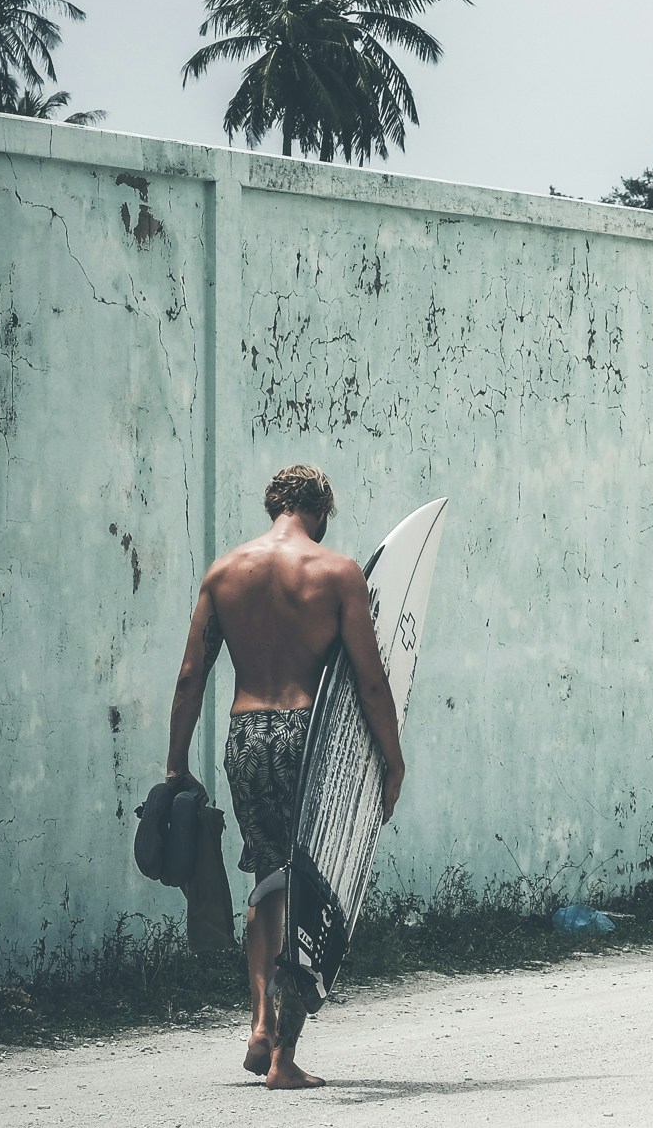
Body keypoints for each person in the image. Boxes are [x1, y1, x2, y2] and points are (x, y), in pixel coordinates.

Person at [164, 464, 408, 1090]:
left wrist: (176, 762)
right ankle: (284, 1058)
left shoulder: (224, 573)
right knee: (308, 888)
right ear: (321, 511)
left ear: (274, 505)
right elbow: (372, 680)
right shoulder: (336, 573)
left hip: (246, 734)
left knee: (267, 878)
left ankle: (258, 1024)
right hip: (308, 737)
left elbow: (190, 677)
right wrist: (391, 757)